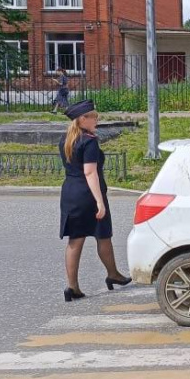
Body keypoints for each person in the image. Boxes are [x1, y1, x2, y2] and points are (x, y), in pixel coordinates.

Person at [58, 100, 130, 301]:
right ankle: (113, 274)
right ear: (83, 119)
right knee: (103, 235)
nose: (97, 119)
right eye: (94, 116)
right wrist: (99, 201)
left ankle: (72, 287)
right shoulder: (89, 141)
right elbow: (90, 173)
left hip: (70, 192)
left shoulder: (66, 139)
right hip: (88, 194)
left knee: (75, 239)